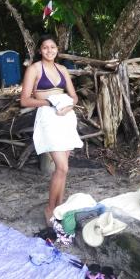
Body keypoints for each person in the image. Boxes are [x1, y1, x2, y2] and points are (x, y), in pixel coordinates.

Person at [20, 34, 83, 225]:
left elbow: (74, 97)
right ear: (40, 50)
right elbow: (24, 100)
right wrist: (50, 102)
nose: (49, 50)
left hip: (66, 117)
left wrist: (69, 106)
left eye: (53, 47)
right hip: (48, 117)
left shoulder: (63, 69)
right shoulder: (34, 69)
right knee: (61, 166)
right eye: (45, 47)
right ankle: (49, 208)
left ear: (57, 49)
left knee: (64, 169)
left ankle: (59, 208)